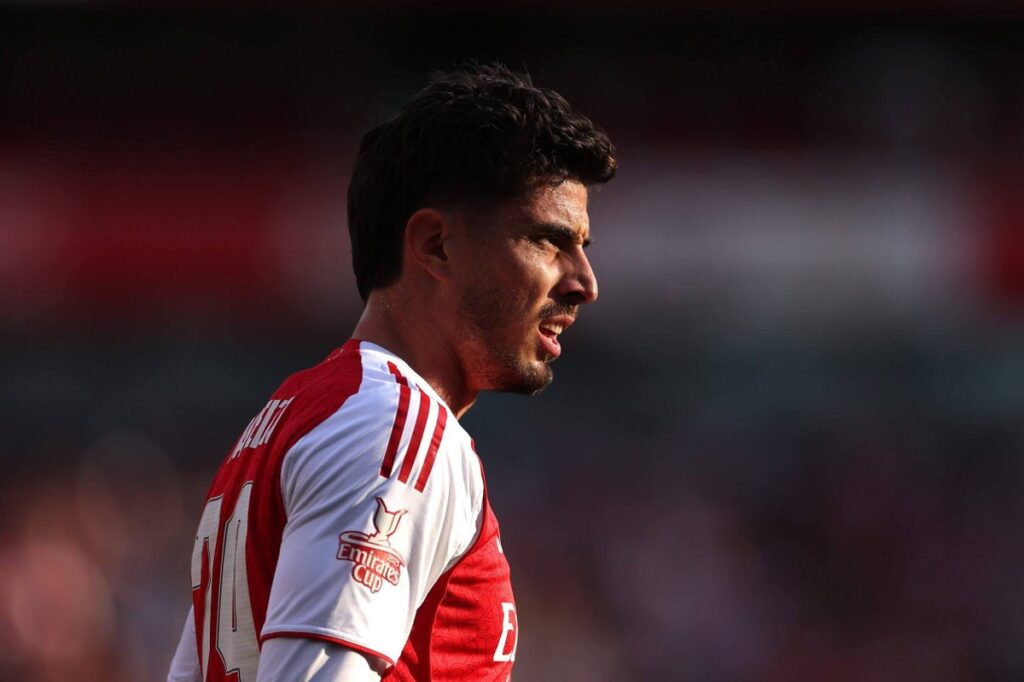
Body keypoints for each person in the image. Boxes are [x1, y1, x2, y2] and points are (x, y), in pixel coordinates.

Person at [167, 62, 616, 682]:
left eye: (583, 249)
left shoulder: (292, 418)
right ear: (434, 245)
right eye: (548, 240)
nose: (584, 284)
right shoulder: (393, 425)